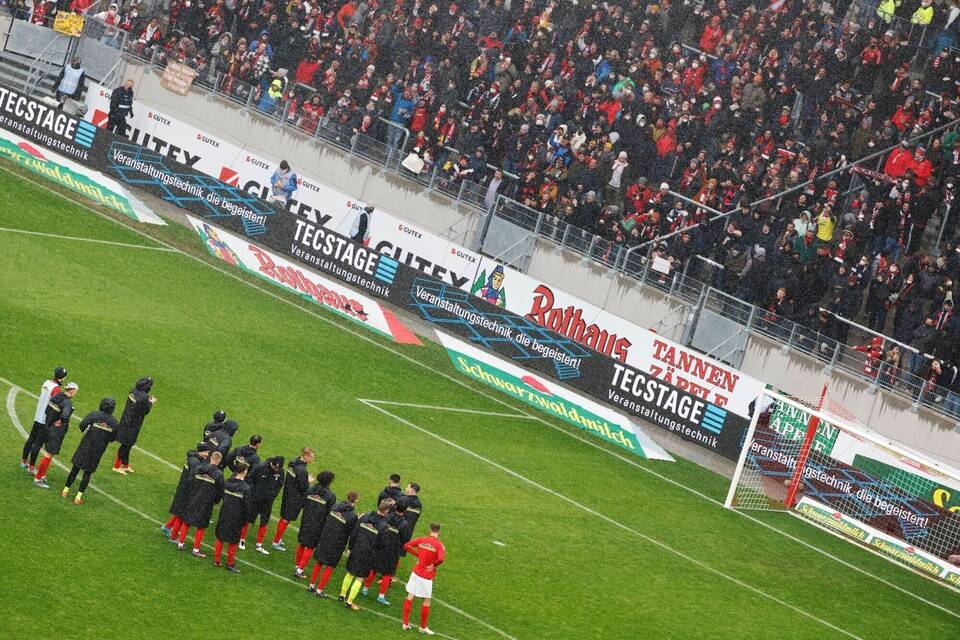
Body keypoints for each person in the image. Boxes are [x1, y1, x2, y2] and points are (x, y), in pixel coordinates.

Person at [61, 397, 119, 505]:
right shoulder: (114, 422)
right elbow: (113, 438)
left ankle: (65, 491)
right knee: (87, 473)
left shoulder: (94, 414)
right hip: (97, 451)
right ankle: (78, 497)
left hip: (85, 445)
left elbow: (82, 425)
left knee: (75, 469)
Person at [340, 499, 390, 610]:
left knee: (350, 573)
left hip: (356, 549)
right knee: (360, 578)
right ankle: (349, 602)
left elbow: (354, 532)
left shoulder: (364, 516)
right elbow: (383, 544)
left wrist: (350, 547)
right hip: (368, 554)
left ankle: (342, 595)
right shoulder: (384, 526)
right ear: (386, 511)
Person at [307, 491, 359, 597]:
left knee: (319, 562)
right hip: (337, 543)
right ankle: (320, 590)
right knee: (330, 567)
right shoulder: (353, 515)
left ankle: (311, 585)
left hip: (325, 537)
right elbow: (350, 532)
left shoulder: (335, 505)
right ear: (356, 500)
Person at [362, 500, 410, 605]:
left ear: (395, 506)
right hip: (393, 551)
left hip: (381, 546)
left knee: (373, 569)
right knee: (388, 574)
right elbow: (405, 540)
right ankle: (381, 596)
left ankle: (365, 589)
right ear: (405, 510)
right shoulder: (405, 524)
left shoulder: (387, 516)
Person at [177, 451, 225, 556]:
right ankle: (196, 549)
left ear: (211, 458)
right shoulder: (219, 474)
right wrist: (215, 501)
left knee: (187, 521)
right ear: (219, 460)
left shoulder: (200, 468)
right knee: (201, 525)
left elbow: (190, 480)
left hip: (194, 498)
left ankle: (180, 543)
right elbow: (220, 492)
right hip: (206, 503)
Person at [32, 382, 79, 489]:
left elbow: (47, 410)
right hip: (56, 431)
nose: (75, 393)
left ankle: (42, 475)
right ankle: (38, 478)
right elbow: (65, 416)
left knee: (50, 454)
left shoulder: (56, 396)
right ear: (72, 391)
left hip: (47, 426)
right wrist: (61, 422)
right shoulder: (67, 403)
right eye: (76, 391)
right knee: (49, 455)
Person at [402, 523, 446, 634]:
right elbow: (441, 558)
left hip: (416, 572)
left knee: (410, 596)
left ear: (429, 530)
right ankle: (423, 627)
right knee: (426, 601)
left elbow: (406, 546)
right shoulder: (439, 545)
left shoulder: (421, 539)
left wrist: (418, 555)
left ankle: (405, 624)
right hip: (426, 576)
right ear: (439, 532)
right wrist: (434, 565)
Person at [21, 366, 66, 473]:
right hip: (45, 419)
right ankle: (31, 467)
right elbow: (54, 404)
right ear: (61, 378)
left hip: (38, 415)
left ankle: (23, 461)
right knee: (38, 443)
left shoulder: (46, 383)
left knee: (31, 439)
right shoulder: (56, 389)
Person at [162, 443, 211, 540]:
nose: (207, 454)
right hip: (186, 491)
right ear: (200, 452)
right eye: (206, 452)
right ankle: (173, 537)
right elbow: (192, 477)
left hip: (183, 488)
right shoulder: (195, 462)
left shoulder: (193, 458)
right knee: (182, 515)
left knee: (180, 512)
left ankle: (167, 527)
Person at [294, 469, 336, 578]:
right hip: (318, 524)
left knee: (302, 543)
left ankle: (298, 565)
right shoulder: (330, 495)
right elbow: (330, 512)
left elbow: (303, 503)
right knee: (310, 546)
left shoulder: (311, 489)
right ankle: (300, 570)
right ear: (330, 481)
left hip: (306, 519)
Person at [271, 447, 314, 551]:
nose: (312, 460)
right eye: (311, 457)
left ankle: (278, 538)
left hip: (288, 493)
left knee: (285, 517)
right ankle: (275, 541)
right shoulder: (302, 470)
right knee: (286, 519)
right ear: (305, 456)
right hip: (295, 498)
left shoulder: (292, 462)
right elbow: (304, 487)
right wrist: (309, 481)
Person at [213, 460, 252, 573]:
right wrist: (245, 520)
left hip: (224, 513)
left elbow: (221, 495)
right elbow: (247, 506)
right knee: (233, 540)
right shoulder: (246, 488)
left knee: (220, 537)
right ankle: (230, 563)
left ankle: (217, 560)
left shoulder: (227, 483)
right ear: (244, 472)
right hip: (237, 517)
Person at [113, 377, 157, 475]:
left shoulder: (133, 391)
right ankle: (116, 466)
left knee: (129, 443)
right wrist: (151, 402)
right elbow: (145, 410)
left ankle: (125, 464)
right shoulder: (145, 397)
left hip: (126, 420)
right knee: (126, 444)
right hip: (134, 423)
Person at [243, 455, 285, 553]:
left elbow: (280, 484)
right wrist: (254, 493)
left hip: (268, 501)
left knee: (264, 521)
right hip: (255, 500)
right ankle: (242, 539)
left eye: (278, 468)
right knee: (248, 519)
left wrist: (273, 495)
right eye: (275, 467)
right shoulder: (260, 467)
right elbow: (249, 479)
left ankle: (259, 544)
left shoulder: (280, 471)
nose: (276, 469)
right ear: (272, 463)